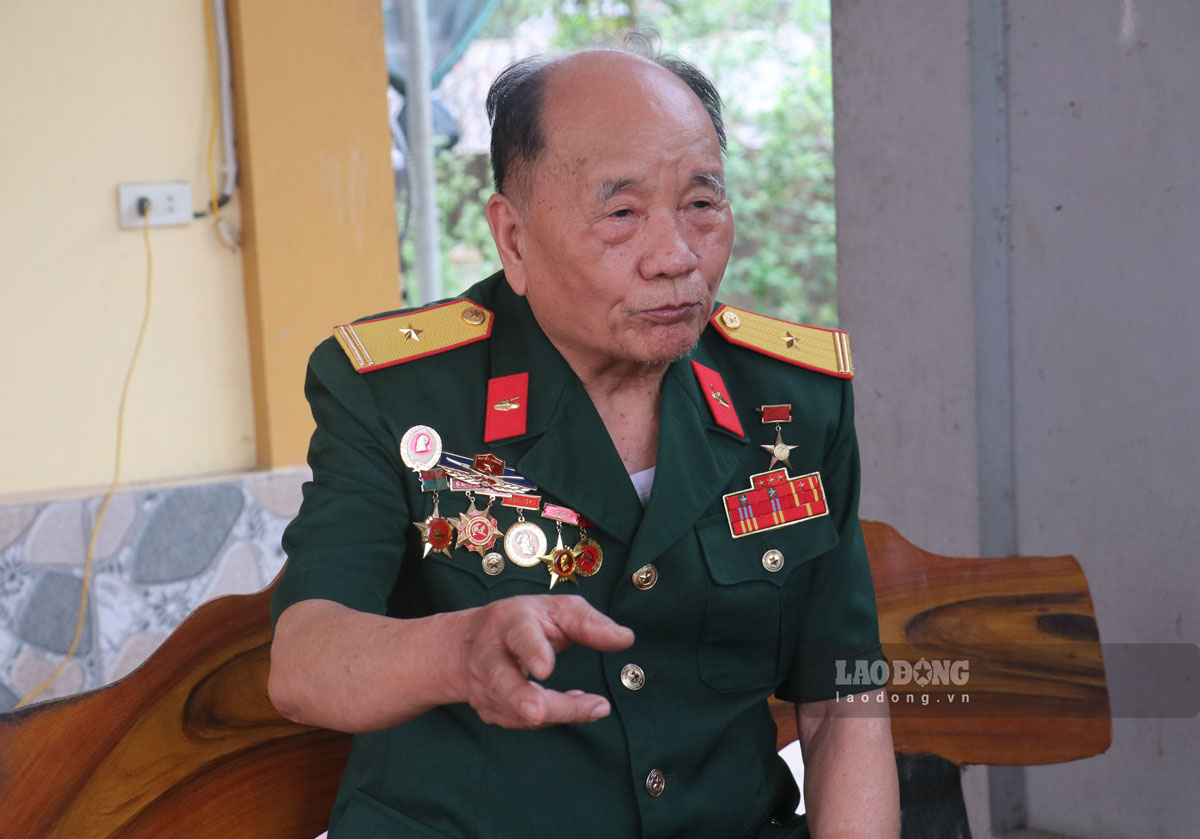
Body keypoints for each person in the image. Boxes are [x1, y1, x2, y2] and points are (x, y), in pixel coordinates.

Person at [269, 45, 899, 838]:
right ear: (515, 239)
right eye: (622, 213)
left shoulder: (791, 400)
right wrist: (459, 651)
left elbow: (843, 698)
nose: (675, 257)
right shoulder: (399, 397)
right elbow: (304, 659)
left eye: (702, 203)